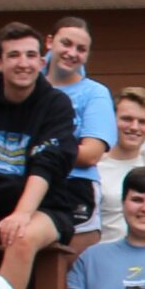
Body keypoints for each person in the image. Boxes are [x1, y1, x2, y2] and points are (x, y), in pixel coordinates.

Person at [0, 22, 80, 289]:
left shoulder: (56, 104)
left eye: (31, 55)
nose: (24, 63)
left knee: (21, 237)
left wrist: (22, 213)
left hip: (45, 206)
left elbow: (48, 164)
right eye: (14, 55)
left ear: (42, 62)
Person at [44, 18, 115, 239]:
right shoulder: (29, 88)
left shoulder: (95, 93)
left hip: (75, 187)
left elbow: (90, 154)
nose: (72, 53)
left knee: (68, 267)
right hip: (26, 184)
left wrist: (39, 150)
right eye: (66, 43)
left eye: (81, 49)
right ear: (49, 42)